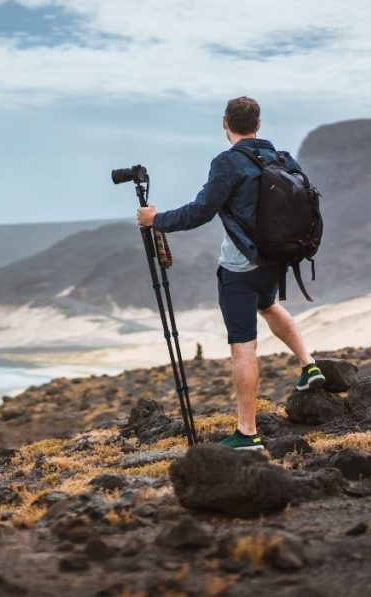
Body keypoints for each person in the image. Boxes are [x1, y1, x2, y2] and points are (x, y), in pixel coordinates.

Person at [135, 96, 325, 450]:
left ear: (225, 123)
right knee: (267, 305)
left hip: (241, 267)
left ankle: (247, 432)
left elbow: (201, 211)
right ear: (258, 124)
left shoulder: (227, 163)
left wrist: (156, 220)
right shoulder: (283, 158)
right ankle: (309, 365)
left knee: (243, 345)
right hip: (278, 259)